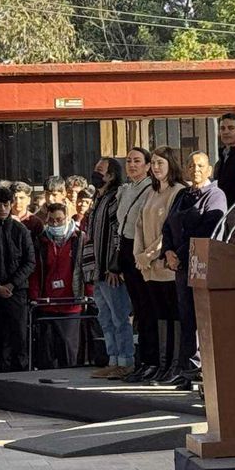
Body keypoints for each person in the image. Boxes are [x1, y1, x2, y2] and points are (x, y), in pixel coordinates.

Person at [160, 151, 227, 390]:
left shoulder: (215, 195)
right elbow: (167, 225)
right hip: (180, 266)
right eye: (191, 165)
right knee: (186, 318)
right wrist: (168, 252)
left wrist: (179, 252)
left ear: (209, 170)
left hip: (200, 264)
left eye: (200, 166)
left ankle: (200, 370)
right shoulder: (181, 194)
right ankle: (186, 369)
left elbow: (208, 228)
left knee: (200, 319)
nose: (195, 170)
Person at [128, 147, 185, 383]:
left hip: (165, 266)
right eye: (154, 163)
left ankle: (174, 364)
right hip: (148, 268)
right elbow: (139, 225)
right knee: (158, 315)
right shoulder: (152, 192)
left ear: (171, 164)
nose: (157, 167)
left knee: (174, 315)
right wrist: (138, 255)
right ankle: (161, 364)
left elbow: (170, 231)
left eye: (161, 163)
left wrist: (150, 254)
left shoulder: (178, 191)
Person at [0, 187, 36, 373]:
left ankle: (21, 375)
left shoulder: (21, 230)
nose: (2, 208)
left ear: (11, 205)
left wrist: (11, 284)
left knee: (19, 336)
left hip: (17, 292)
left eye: (6, 204)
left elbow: (30, 262)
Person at [82, 157, 130, 378]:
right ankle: (112, 359)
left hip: (111, 270)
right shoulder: (97, 199)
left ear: (110, 175)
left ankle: (125, 361)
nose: (96, 174)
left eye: (100, 171)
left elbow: (118, 234)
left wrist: (115, 266)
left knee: (119, 318)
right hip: (97, 270)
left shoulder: (115, 199)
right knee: (105, 317)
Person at [29, 202, 87, 369]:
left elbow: (86, 268)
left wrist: (88, 293)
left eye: (59, 220)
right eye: (52, 220)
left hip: (71, 303)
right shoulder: (41, 240)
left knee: (68, 350)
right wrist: (34, 297)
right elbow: (35, 271)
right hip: (47, 303)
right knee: (47, 353)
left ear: (67, 218)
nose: (55, 224)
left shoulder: (80, 239)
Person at [113, 148, 154, 379]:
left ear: (148, 165)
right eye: (128, 161)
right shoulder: (126, 189)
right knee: (136, 308)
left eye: (137, 161)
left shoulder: (151, 188)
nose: (132, 165)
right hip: (125, 248)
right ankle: (141, 361)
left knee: (147, 308)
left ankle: (150, 361)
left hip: (142, 249)